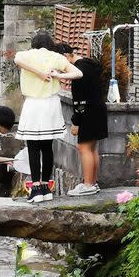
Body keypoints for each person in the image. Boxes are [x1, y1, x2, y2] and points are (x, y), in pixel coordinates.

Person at [14, 32, 82, 203]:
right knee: (47, 146)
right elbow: (78, 73)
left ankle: (36, 188)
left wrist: (38, 73)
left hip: (34, 104)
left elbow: (17, 60)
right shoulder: (56, 57)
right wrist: (58, 75)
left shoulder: (27, 55)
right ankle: (46, 188)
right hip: (52, 104)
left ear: (34, 43)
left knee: (33, 146)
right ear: (50, 43)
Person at [55, 42, 108, 196]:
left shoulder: (78, 70)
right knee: (91, 148)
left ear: (65, 56)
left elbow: (79, 99)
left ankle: (88, 184)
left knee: (83, 148)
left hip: (87, 112)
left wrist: (76, 122)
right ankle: (93, 182)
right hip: (98, 108)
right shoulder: (89, 65)